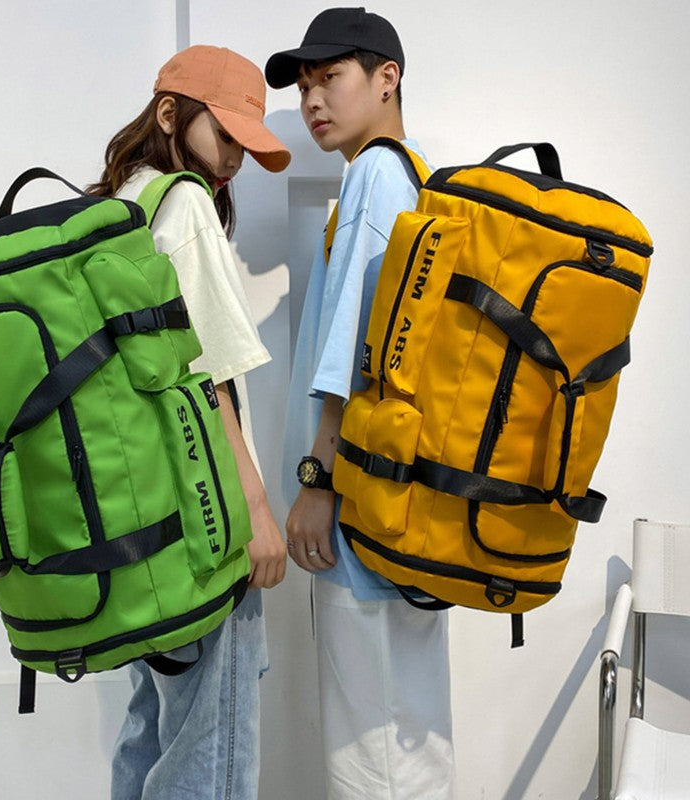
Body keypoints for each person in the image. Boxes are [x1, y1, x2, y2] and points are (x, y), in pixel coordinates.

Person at [87, 44, 289, 800]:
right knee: (214, 750)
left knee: (152, 732)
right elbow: (211, 381)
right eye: (226, 134)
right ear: (169, 114)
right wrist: (256, 513)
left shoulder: (118, 205)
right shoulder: (187, 205)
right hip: (210, 524)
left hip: (147, 526)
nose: (233, 158)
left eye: (245, 145)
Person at [266, 8, 455, 800]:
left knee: (371, 743)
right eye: (303, 87)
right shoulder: (412, 177)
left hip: (357, 503)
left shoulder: (376, 176)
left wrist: (318, 480)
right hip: (397, 502)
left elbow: (357, 350)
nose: (312, 99)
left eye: (330, 78)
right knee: (408, 728)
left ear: (387, 79)